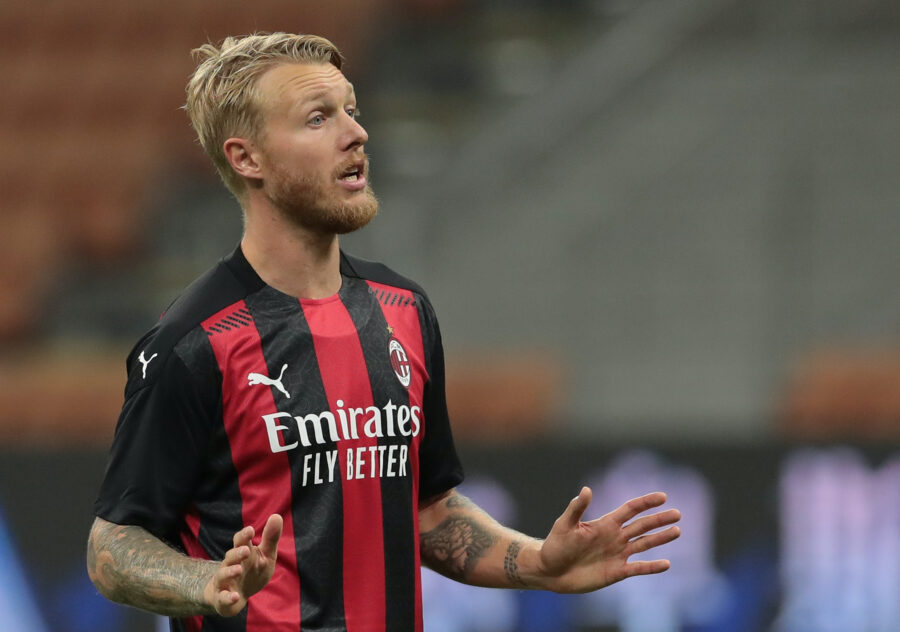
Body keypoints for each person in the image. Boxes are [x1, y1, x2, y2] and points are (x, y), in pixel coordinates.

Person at [86, 32, 681, 632]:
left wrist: (537, 564)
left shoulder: (403, 309)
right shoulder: (194, 342)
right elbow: (112, 546)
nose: (356, 133)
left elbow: (428, 511)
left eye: (351, 110)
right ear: (247, 159)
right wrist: (203, 582)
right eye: (318, 118)